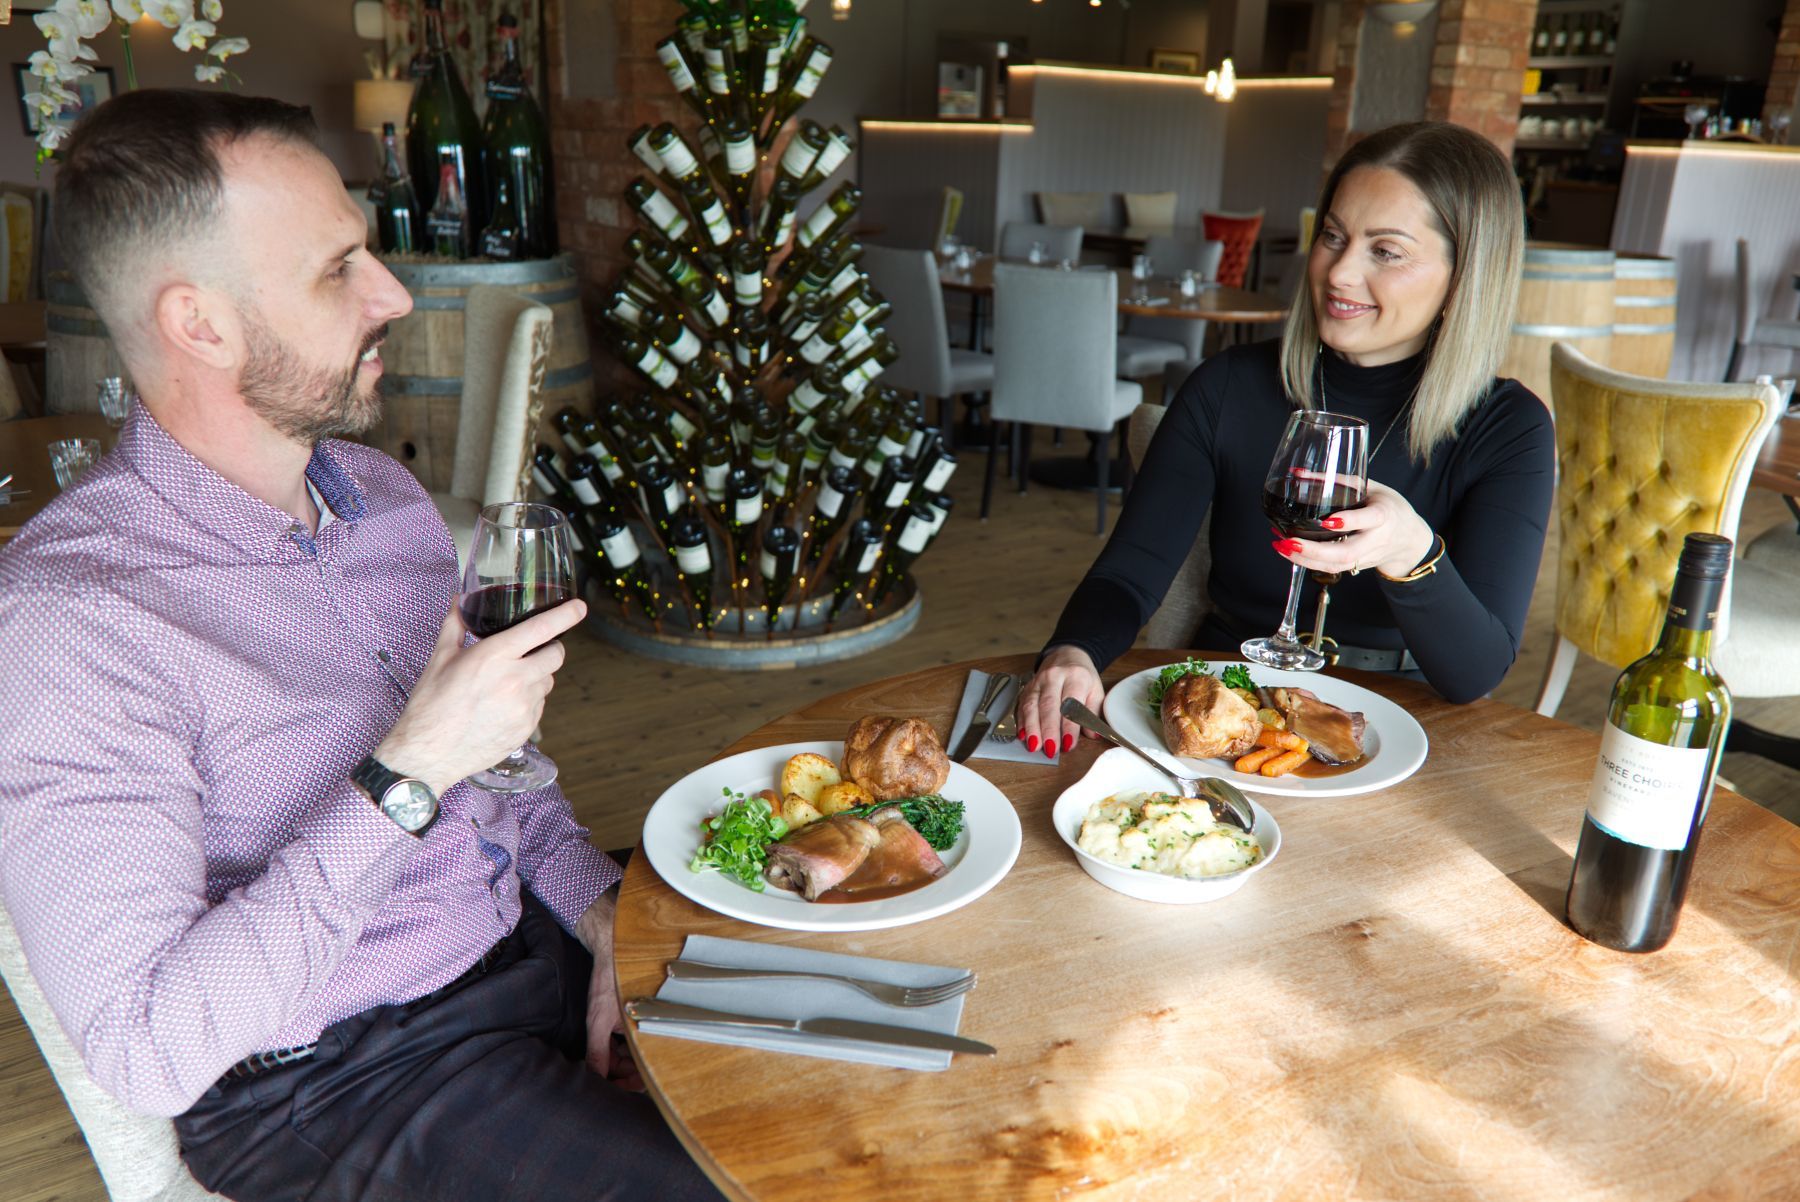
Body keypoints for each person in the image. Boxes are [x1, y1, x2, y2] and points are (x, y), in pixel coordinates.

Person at [0, 91, 721, 1202]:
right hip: (339, 1070)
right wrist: (407, 772)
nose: (394, 294)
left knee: (836, 1052)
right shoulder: (75, 621)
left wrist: (604, 922)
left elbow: (504, 778)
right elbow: (148, 1047)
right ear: (200, 324)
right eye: (339, 270)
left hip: (520, 942)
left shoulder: (380, 497)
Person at [1019, 121, 1555, 756]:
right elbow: (1129, 574)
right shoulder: (1228, 385)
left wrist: (1412, 551)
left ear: (1464, 277)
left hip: (1398, 725)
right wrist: (1073, 651)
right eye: (1333, 236)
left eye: (1386, 251)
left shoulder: (1509, 428)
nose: (1339, 272)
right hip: (1226, 706)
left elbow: (1474, 673)